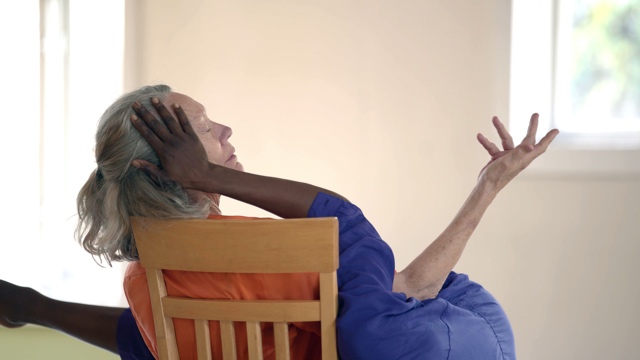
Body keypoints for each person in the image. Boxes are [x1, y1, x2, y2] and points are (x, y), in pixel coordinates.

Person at [0, 84, 558, 359]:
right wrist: (488, 189)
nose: (227, 130)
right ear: (176, 163)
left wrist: (36, 307)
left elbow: (140, 342)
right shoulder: (267, 252)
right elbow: (404, 283)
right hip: (449, 335)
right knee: (438, 296)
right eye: (206, 128)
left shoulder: (143, 279)